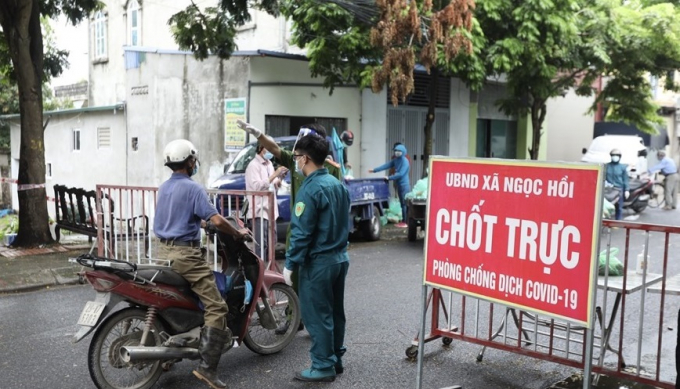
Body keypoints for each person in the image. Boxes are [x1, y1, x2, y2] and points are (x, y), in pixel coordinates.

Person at [154, 139, 250, 389]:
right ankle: (208, 369)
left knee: (180, 300)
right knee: (217, 307)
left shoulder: (164, 188)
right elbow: (218, 220)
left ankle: (169, 356)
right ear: (188, 161)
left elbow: (181, 217)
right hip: (187, 257)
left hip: (163, 252)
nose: (195, 163)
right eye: (193, 160)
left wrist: (202, 224)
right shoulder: (193, 188)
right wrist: (237, 233)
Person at [235, 120, 343, 332]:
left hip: (320, 239)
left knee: (318, 285)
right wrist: (258, 134)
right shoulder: (297, 163)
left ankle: (321, 326)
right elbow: (274, 148)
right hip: (299, 233)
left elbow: (338, 208)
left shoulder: (331, 171)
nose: (297, 152)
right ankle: (295, 317)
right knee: (294, 280)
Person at [283, 133, 350, 382]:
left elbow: (301, 233)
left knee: (317, 314)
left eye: (297, 157)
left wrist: (290, 265)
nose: (296, 162)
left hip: (319, 262)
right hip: (340, 258)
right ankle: (335, 358)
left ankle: (322, 366)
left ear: (306, 158)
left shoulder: (309, 189)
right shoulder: (337, 185)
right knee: (335, 312)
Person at [245, 142, 288, 261]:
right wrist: (275, 174)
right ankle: (260, 273)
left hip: (271, 211)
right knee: (261, 246)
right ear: (261, 148)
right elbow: (257, 186)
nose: (271, 152)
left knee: (272, 243)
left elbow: (272, 184)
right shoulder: (253, 166)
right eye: (268, 149)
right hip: (260, 211)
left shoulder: (269, 164)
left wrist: (280, 178)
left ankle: (268, 271)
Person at [370, 144, 411, 228]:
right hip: (399, 184)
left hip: (404, 185)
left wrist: (389, 177)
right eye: (395, 151)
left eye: (398, 151)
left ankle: (405, 221)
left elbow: (401, 174)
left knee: (404, 204)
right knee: (401, 203)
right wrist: (374, 170)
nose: (396, 152)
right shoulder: (396, 160)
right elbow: (386, 165)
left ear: (403, 152)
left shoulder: (405, 161)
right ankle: (404, 221)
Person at [605, 148, 629, 220]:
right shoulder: (606, 166)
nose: (615, 156)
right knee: (606, 206)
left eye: (617, 155)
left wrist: (627, 190)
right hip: (608, 190)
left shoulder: (622, 167)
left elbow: (625, 179)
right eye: (613, 155)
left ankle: (617, 222)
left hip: (619, 189)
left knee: (618, 207)